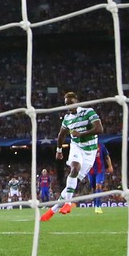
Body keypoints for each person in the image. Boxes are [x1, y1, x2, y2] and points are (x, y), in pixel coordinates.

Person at [41, 91, 103, 222]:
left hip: (90, 152)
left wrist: (82, 134)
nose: (69, 106)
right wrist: (58, 150)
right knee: (74, 169)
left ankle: (52, 211)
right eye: (66, 104)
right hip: (76, 147)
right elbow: (61, 135)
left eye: (71, 103)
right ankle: (68, 204)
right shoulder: (67, 119)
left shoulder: (88, 112)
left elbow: (99, 128)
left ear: (77, 101)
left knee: (72, 185)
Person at [88, 142, 113, 213]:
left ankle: (98, 206)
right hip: (90, 171)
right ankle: (95, 203)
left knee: (98, 186)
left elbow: (107, 157)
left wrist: (110, 166)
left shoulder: (101, 146)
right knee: (93, 187)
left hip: (100, 170)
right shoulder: (87, 146)